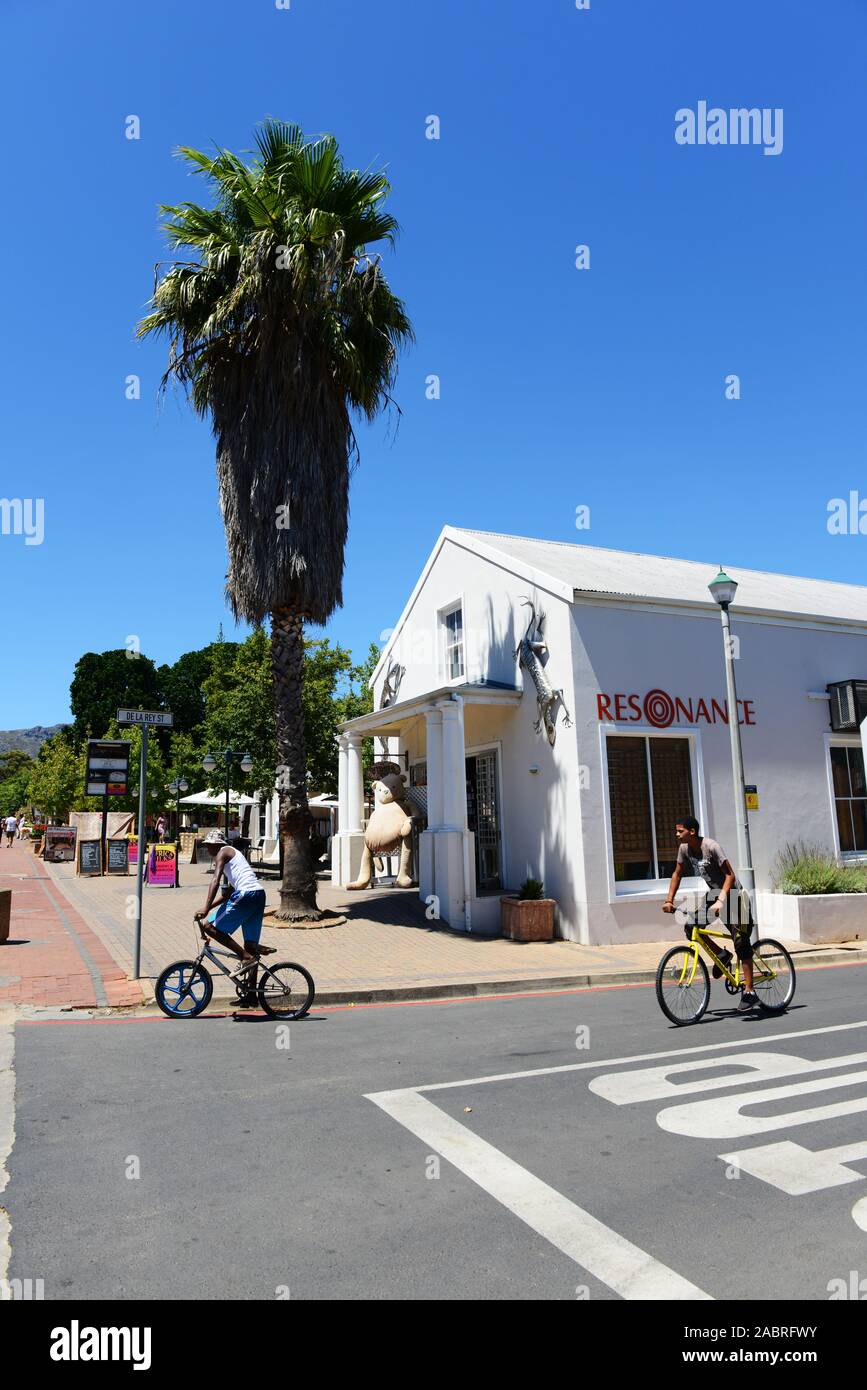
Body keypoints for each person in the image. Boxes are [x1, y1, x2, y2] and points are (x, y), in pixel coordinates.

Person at [662, 816, 757, 1012]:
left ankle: (749, 991)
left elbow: (730, 875)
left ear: (692, 832)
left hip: (733, 895)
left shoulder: (711, 847)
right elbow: (677, 873)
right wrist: (669, 900)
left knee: (740, 941)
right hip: (714, 895)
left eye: (680, 831)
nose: (677, 835)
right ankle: (721, 955)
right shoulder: (685, 849)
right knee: (691, 927)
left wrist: (722, 900)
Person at [194, 829, 269, 1007]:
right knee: (251, 946)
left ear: (216, 844)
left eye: (208, 845)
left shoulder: (223, 852)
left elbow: (215, 880)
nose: (207, 849)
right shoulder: (231, 857)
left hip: (246, 894)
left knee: (209, 926)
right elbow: (227, 893)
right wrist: (208, 907)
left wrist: (205, 909)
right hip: (257, 895)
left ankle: (244, 957)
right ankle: (252, 996)